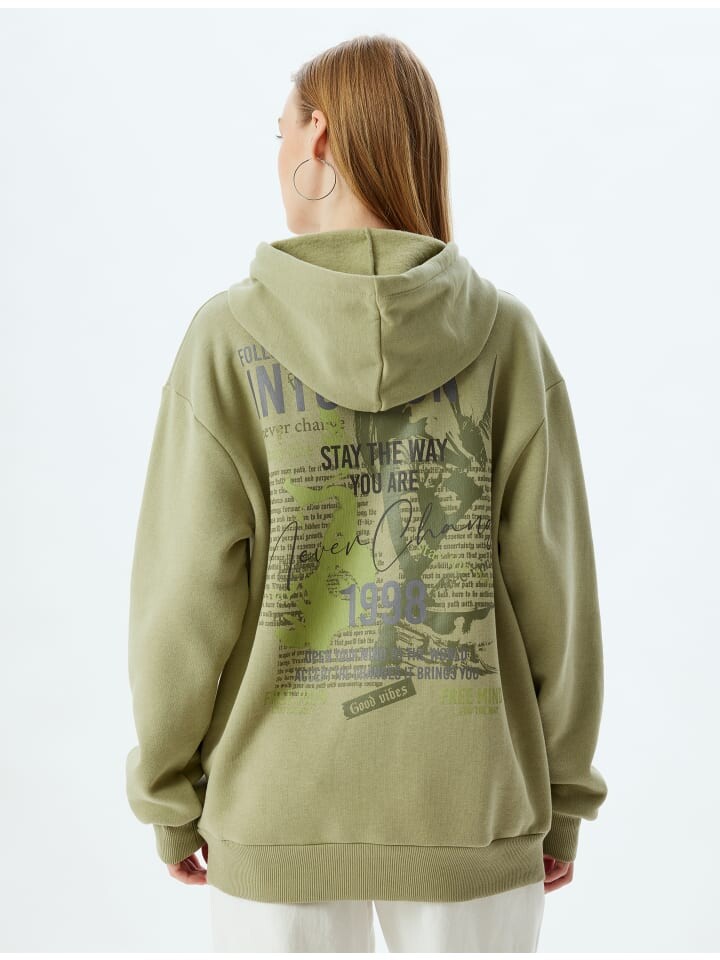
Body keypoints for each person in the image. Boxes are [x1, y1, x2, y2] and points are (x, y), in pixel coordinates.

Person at [125, 33, 608, 953]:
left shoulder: (226, 341)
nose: (277, 151)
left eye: (278, 130)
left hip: (277, 811)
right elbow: (559, 595)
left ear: (318, 136)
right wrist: (566, 793)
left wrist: (168, 794)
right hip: (472, 809)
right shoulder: (507, 339)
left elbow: (183, 597)